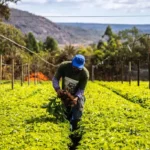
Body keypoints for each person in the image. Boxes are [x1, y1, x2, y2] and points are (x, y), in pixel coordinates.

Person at [52, 54, 89, 131]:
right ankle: (66, 130)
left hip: (76, 96)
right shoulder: (64, 66)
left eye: (78, 67)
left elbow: (81, 89)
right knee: (65, 113)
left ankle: (75, 131)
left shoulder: (84, 74)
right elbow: (55, 79)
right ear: (72, 63)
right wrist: (57, 89)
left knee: (77, 115)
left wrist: (76, 97)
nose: (76, 69)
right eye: (75, 66)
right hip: (65, 93)